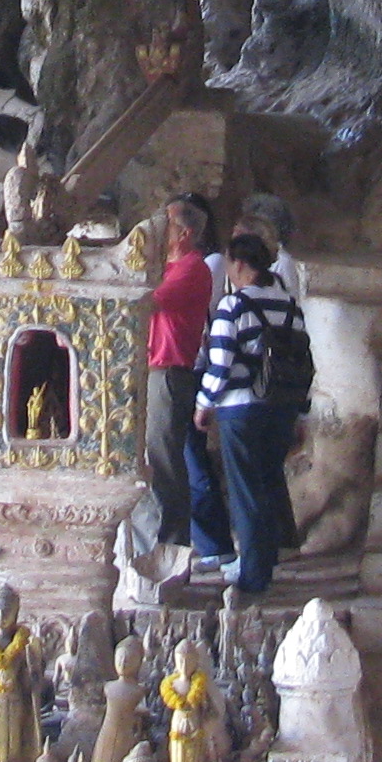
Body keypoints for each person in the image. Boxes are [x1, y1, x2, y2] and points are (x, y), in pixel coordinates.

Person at [190, 233, 305, 595]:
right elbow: (303, 361)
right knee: (269, 483)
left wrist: (204, 403)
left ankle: (254, 575)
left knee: (245, 491)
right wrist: (301, 413)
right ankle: (266, 560)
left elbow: (220, 362)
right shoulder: (289, 305)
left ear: (239, 264)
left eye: (230, 265)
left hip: (241, 409)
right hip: (282, 407)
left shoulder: (233, 305)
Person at [144, 198, 213, 557]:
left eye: (166, 224)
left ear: (185, 233)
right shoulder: (169, 267)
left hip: (169, 372)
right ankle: (157, 539)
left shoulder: (192, 268)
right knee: (152, 458)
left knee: (165, 460)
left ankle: (173, 544)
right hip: (153, 369)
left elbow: (148, 301)